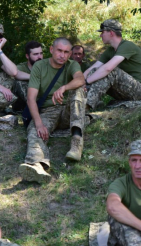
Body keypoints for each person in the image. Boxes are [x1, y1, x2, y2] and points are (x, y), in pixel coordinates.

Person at [18, 37, 86, 184]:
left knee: (78, 88)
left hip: (68, 110)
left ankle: (76, 141)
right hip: (48, 111)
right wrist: (39, 123)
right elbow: (31, 98)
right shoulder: (39, 66)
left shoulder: (72, 65)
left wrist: (65, 87)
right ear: (51, 50)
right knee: (35, 131)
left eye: (66, 52)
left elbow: (80, 79)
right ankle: (37, 165)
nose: (63, 55)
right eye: (59, 51)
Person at [84, 19, 141, 109]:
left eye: (103, 32)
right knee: (95, 72)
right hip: (126, 90)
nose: (100, 35)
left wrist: (86, 82)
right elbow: (92, 69)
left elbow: (107, 68)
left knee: (111, 71)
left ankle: (86, 106)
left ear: (111, 33)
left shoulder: (127, 46)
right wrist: (79, 82)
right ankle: (79, 102)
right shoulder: (110, 51)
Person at [12, 41, 43, 112]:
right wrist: (33, 77)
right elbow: (15, 73)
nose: (39, 57)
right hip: (22, 104)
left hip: (41, 100)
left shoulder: (47, 67)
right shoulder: (22, 67)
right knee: (19, 82)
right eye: (35, 54)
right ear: (27, 56)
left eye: (41, 53)